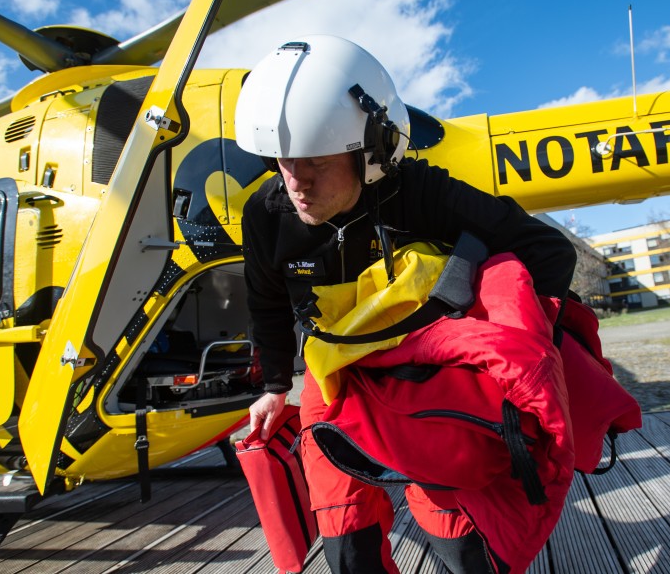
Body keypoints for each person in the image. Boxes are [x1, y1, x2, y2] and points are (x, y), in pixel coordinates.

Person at [235, 35, 576, 574]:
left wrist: (521, 352)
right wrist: (275, 387)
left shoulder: (421, 192)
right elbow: (267, 302)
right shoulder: (264, 213)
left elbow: (547, 251)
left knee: (458, 534)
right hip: (336, 374)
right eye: (282, 162)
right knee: (345, 533)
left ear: (371, 153)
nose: (295, 183)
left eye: (316, 164)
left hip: (425, 371)